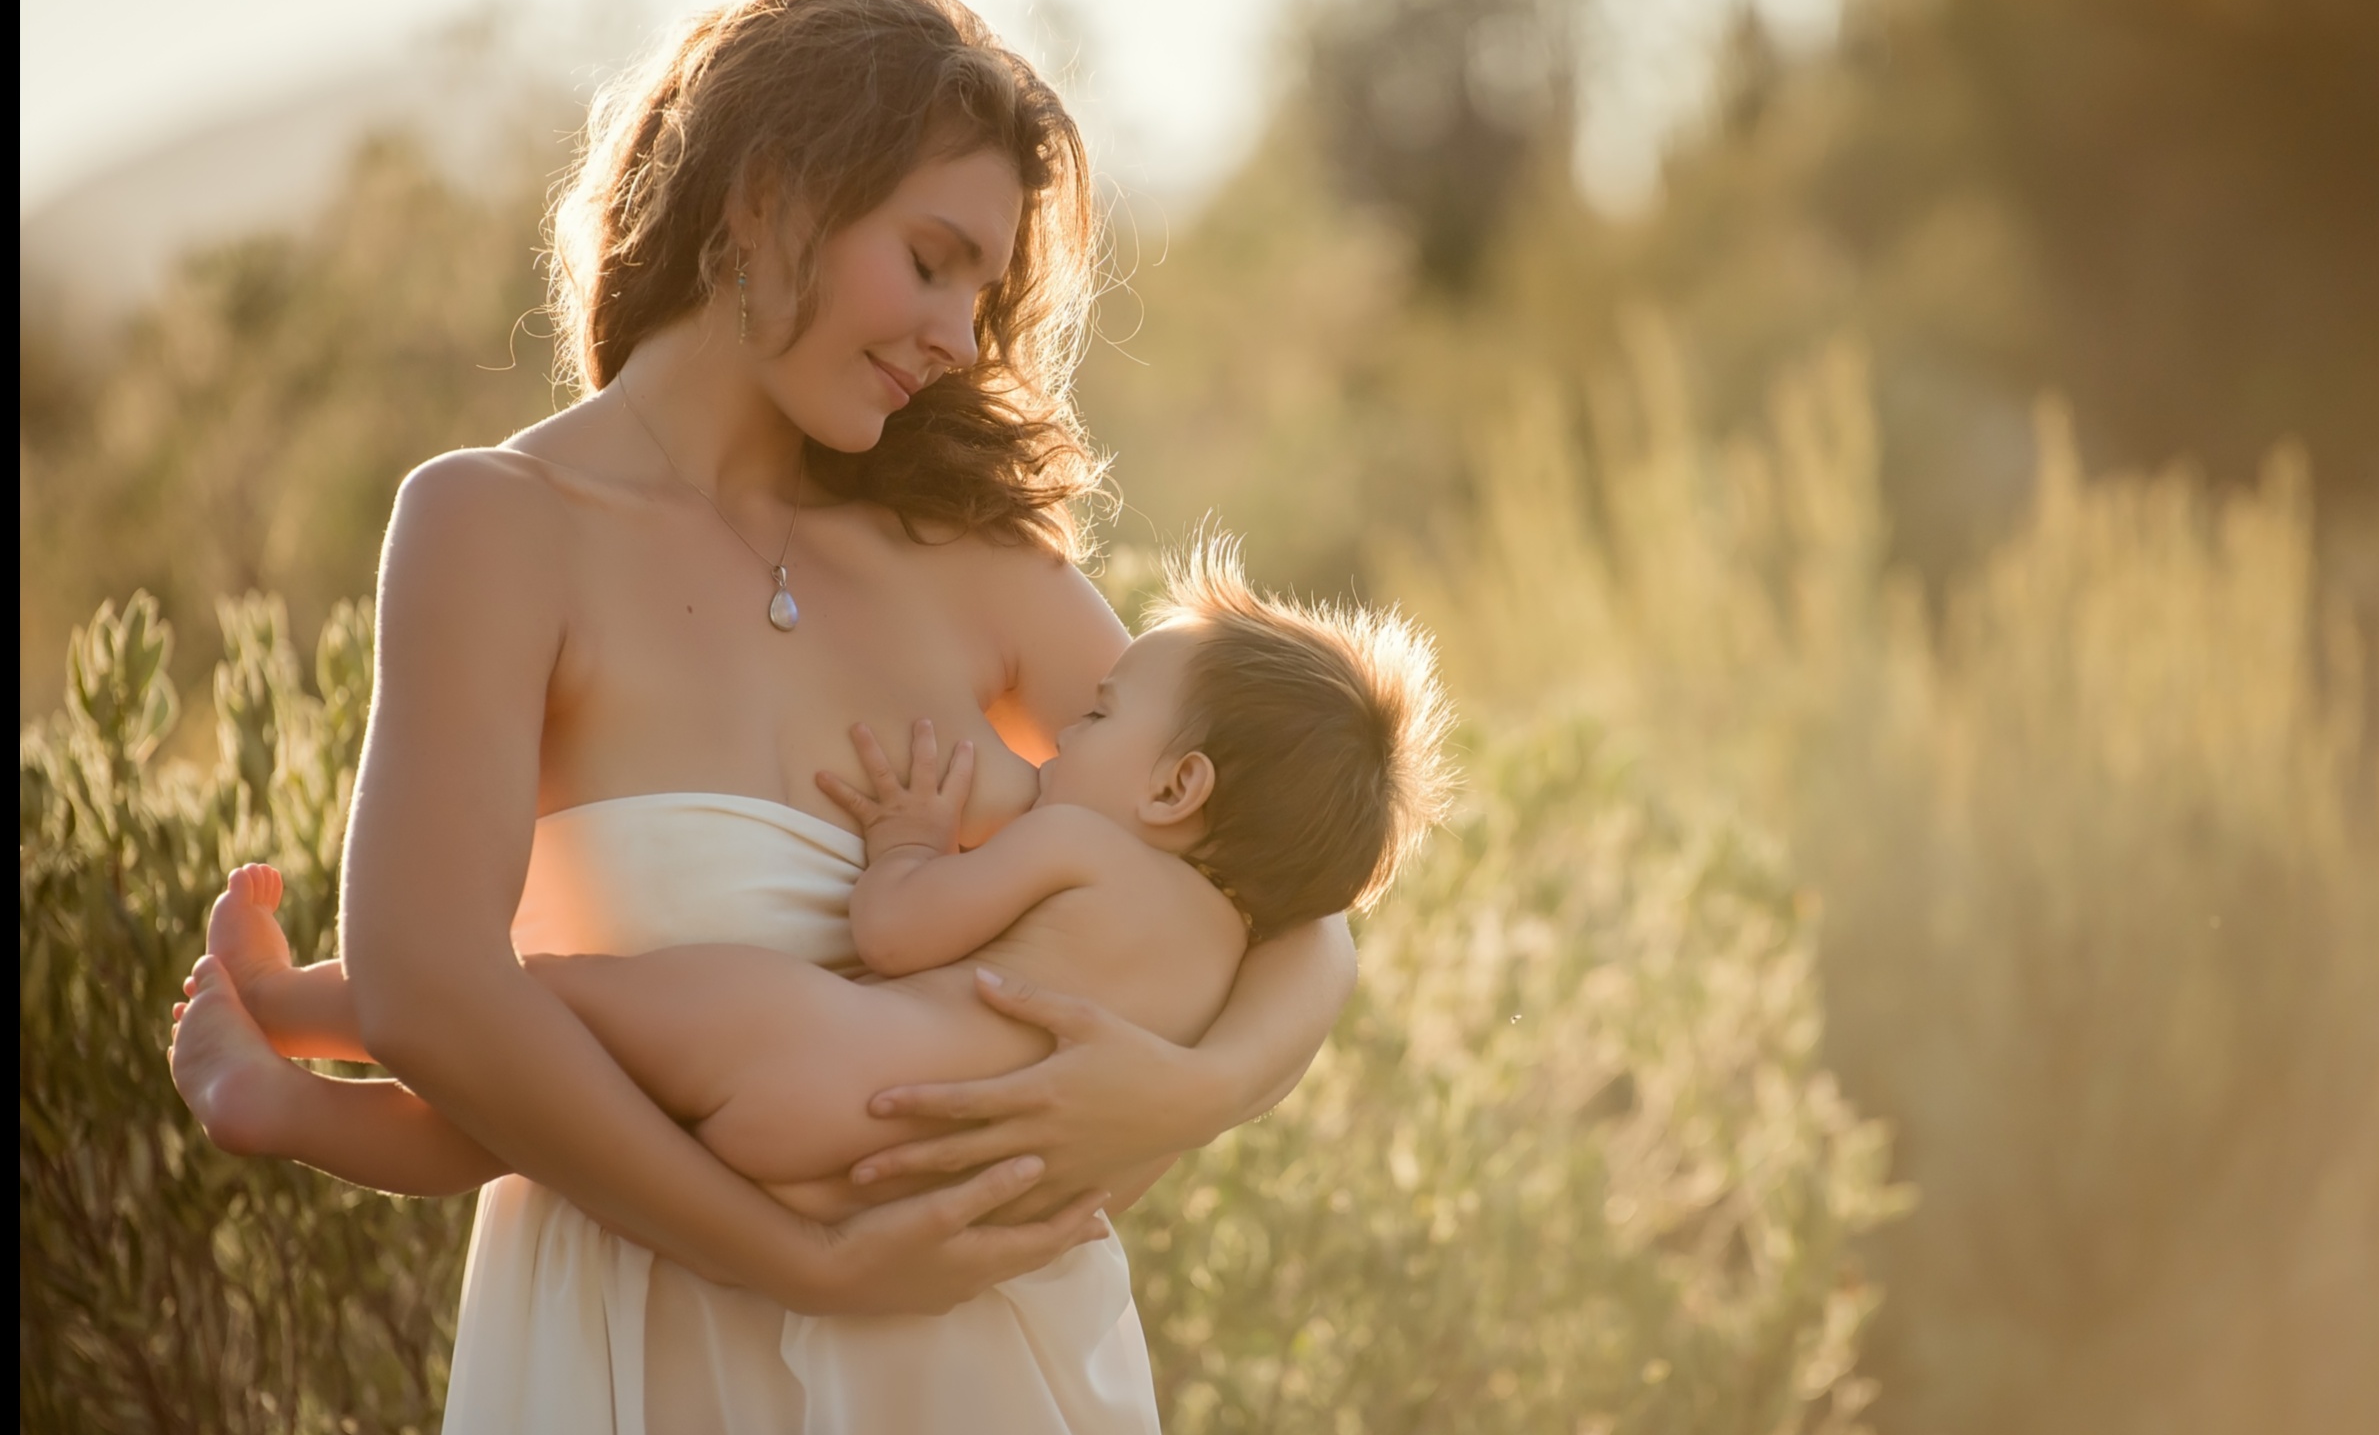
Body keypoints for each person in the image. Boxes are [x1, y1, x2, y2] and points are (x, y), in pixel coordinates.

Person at [164, 0, 1357, 1435]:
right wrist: (807, 1261)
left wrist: (1190, 1093)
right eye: (929, 261)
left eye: (984, 293)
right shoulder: (497, 524)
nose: (959, 337)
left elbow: (1295, 895)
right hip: (642, 1372)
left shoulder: (978, 562)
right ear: (771, 194)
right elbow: (429, 988)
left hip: (988, 1388)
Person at [177, 543, 1451, 1226]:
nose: (1068, 733)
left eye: (1101, 715)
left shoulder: (1079, 843)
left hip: (808, 1047)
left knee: (533, 1021)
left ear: (1175, 788)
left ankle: (287, 1010)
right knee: (515, 1130)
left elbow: (897, 935)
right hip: (887, 1182)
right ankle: (284, 1108)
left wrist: (908, 839)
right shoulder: (1221, 958)